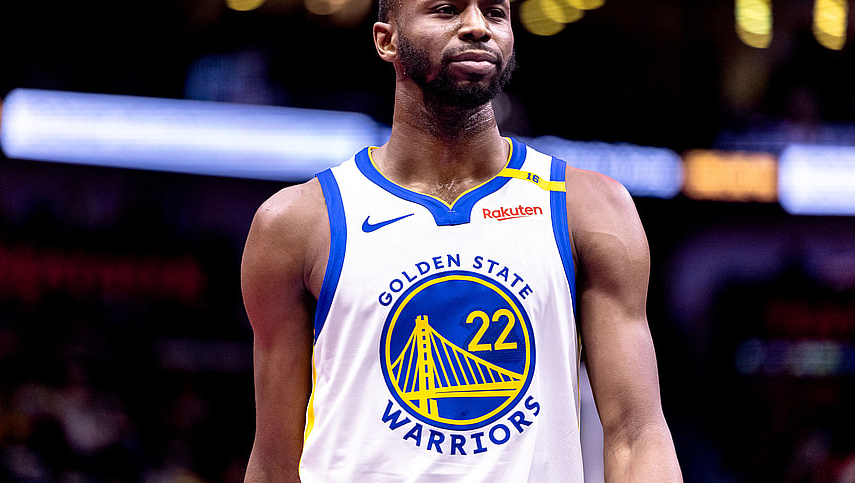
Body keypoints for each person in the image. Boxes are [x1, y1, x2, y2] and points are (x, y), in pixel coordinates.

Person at [240, 0, 683, 479]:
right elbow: (273, 463)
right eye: (447, 10)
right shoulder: (299, 223)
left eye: (495, 13)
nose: (477, 27)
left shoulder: (590, 207)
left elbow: (638, 436)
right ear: (386, 40)